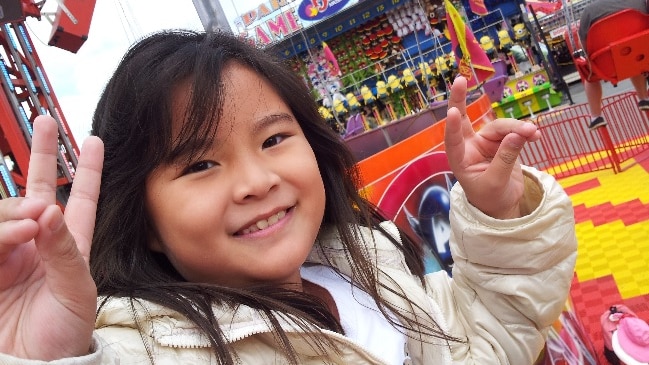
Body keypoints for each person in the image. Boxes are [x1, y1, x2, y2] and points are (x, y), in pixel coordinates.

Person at [0, 30, 577, 364]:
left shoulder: (372, 263)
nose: (257, 180)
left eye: (274, 138)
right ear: (143, 219)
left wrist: (501, 215)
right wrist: (42, 356)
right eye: (200, 164)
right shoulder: (146, 346)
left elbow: (492, 337)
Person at [577, 0, 649, 130]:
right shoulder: (639, 3)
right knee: (634, 60)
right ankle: (643, 97)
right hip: (639, 56)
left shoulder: (589, 12)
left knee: (589, 76)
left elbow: (585, 45)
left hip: (605, 65)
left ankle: (596, 116)